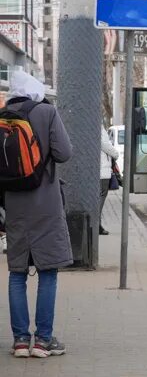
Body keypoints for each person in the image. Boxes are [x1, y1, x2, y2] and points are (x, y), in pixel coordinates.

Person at [5, 70, 73, 358]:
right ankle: (43, 341)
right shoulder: (47, 112)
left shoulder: (2, 116)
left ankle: (21, 340)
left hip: (13, 204)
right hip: (45, 202)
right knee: (48, 272)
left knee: (17, 273)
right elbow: (64, 153)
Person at [100, 126, 119, 235]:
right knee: (101, 197)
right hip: (102, 170)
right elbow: (104, 145)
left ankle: (97, 224)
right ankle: (97, 224)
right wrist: (115, 154)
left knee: (100, 197)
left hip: (101, 169)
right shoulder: (99, 128)